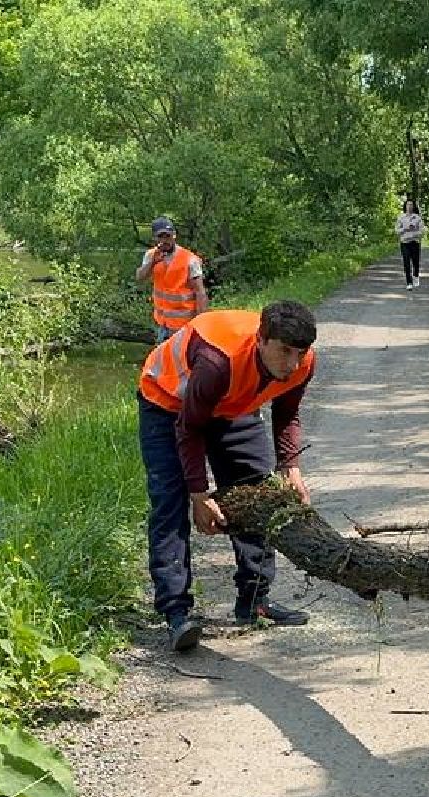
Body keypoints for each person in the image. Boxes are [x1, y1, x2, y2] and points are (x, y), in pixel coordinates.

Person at [137, 301, 318, 652]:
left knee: (258, 492)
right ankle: (177, 614)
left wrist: (291, 467)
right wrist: (200, 496)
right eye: (284, 351)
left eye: (301, 352)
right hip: (167, 403)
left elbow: (288, 412)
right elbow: (189, 429)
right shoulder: (219, 360)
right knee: (170, 505)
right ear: (261, 340)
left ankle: (254, 601)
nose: (293, 363)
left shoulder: (302, 364)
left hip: (232, 406)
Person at [136, 216, 208, 344]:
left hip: (184, 324)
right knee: (162, 361)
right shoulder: (151, 255)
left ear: (174, 235)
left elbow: (200, 292)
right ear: (155, 238)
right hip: (161, 323)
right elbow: (140, 277)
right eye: (161, 237)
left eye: (168, 236)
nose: (165, 240)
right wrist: (152, 263)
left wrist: (200, 323)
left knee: (181, 361)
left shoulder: (189, 259)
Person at [396, 200, 425, 290]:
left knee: (415, 262)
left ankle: (416, 276)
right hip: (405, 243)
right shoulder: (401, 218)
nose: (409, 206)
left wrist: (414, 232)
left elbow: (422, 231)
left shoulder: (417, 218)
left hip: (415, 242)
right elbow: (397, 231)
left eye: (411, 205)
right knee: (406, 262)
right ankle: (409, 282)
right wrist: (405, 229)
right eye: (408, 205)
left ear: (413, 206)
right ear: (405, 206)